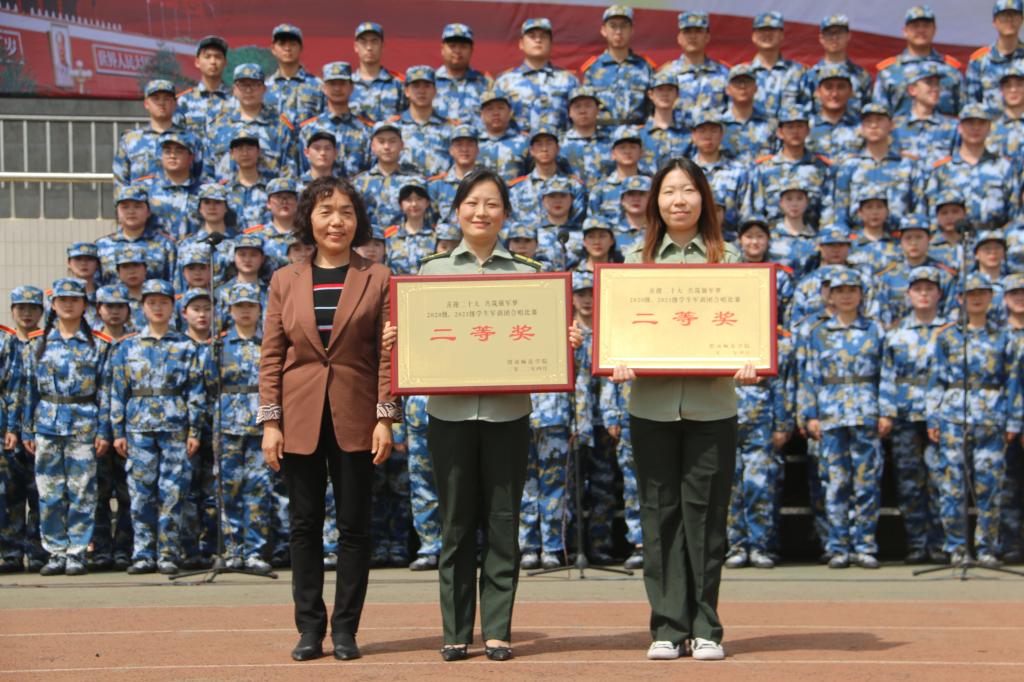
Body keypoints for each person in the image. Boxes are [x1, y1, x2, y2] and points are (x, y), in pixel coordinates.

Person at [382, 168, 582, 662]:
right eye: (472, 203)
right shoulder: (429, 273)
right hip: (448, 414)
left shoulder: (529, 275)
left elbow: (546, 344)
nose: (481, 212)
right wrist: (396, 340)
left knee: (502, 520)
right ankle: (455, 629)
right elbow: (414, 341)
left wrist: (566, 341)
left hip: (506, 414)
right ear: (456, 211)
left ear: (506, 214)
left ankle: (496, 628)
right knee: (454, 522)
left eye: (492, 204)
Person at [609, 158, 755, 662]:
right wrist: (617, 358)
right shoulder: (634, 260)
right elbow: (620, 329)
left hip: (712, 407)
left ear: (703, 199)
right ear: (655, 201)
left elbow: (746, 328)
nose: (679, 200)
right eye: (669, 191)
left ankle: (706, 625)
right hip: (651, 407)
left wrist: (749, 360)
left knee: (707, 518)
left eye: (688, 190)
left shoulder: (729, 259)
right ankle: (668, 627)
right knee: (659, 516)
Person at [259, 175, 398, 662]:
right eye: (325, 211)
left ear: (358, 220)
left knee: (354, 528)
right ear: (308, 220)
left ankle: (345, 629)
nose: (336, 221)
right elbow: (271, 355)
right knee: (304, 526)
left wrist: (385, 416)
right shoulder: (284, 280)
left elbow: (388, 354)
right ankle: (309, 628)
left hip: (356, 416)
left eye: (346, 211)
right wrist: (270, 421)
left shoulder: (379, 277)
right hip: (298, 417)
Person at [109, 279, 206, 575]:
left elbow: (196, 392)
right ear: (143, 308)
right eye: (152, 303)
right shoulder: (128, 346)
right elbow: (117, 391)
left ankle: (168, 552)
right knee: (140, 493)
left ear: (173, 307)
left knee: (173, 492)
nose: (158, 308)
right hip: (138, 428)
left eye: (163, 302)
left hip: (175, 428)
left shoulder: (186, 346)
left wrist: (195, 431)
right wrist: (117, 431)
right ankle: (143, 552)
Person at [927, 272, 1020, 567]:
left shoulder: (1004, 337)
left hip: (992, 417)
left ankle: (986, 547)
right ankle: (956, 547)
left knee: (989, 487)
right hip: (954, 416)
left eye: (982, 293)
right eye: (970, 294)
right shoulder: (948, 337)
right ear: (960, 299)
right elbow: (936, 380)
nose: (976, 299)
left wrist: (1014, 421)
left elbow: (1013, 383)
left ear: (991, 298)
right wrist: (933, 418)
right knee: (952, 486)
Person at [17, 279, 106, 576]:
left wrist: (104, 431)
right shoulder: (37, 343)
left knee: (82, 492)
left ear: (84, 305)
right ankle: (55, 551)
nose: (68, 304)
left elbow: (106, 392)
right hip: (47, 424)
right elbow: (28, 390)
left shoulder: (98, 344)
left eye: (74, 299)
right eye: (62, 300)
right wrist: (27, 429)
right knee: (50, 493)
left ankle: (77, 552)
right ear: (53, 305)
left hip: (83, 425)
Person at [873, 6, 964, 118]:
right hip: (899, 129)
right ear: (905, 31)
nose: (921, 30)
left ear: (934, 30)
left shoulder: (950, 69)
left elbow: (965, 113)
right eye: (915, 26)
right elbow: (878, 116)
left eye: (926, 26)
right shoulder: (889, 71)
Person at [494, 18, 579, 133]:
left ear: (551, 43)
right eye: (532, 36)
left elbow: (578, 123)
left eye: (543, 36)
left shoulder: (568, 80)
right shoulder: (504, 82)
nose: (538, 40)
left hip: (557, 143)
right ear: (521, 44)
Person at [579, 5, 655, 128]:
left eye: (623, 26)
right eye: (613, 26)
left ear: (632, 30)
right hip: (603, 134)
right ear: (603, 30)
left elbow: (654, 107)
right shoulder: (592, 69)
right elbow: (585, 107)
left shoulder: (645, 67)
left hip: (635, 135)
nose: (618, 31)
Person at [298, 62, 371, 180]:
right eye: (332, 84)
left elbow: (371, 172)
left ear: (351, 87)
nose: (337, 88)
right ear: (324, 88)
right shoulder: (309, 129)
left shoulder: (365, 130)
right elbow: (302, 169)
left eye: (342, 83)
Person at [659, 11, 729, 128]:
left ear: (707, 37)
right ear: (679, 38)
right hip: (677, 137)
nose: (692, 36)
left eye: (698, 31)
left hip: (712, 137)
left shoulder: (723, 73)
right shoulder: (665, 74)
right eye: (687, 32)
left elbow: (731, 113)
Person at [113, 79, 182, 188]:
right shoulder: (130, 140)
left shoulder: (188, 139)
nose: (161, 103)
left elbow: (200, 180)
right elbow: (120, 183)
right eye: (156, 98)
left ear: (174, 103)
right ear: (146, 103)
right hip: (141, 198)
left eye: (167, 98)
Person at [264, 23, 323, 124]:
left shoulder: (318, 85)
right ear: (273, 49)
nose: (287, 48)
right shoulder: (264, 87)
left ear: (301, 48)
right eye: (282, 44)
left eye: (293, 44)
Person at [433, 23, 492, 124]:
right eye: (452, 46)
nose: (457, 51)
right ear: (442, 49)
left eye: (463, 46)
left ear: (471, 50)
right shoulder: (428, 82)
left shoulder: (485, 84)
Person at [350, 22, 405, 124]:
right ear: (356, 47)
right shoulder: (346, 84)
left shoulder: (399, 83)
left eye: (374, 42)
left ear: (382, 46)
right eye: (363, 42)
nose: (369, 48)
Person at [176, 35, 230, 136]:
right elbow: (176, 137)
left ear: (225, 62)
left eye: (218, 57)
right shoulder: (184, 101)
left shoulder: (235, 99)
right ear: (197, 62)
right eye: (207, 57)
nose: (213, 62)